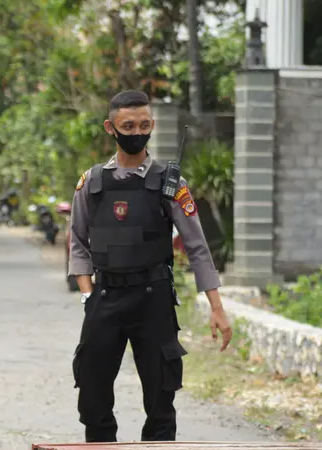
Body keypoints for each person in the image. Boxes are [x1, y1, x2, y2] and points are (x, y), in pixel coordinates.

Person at [68, 90, 233, 443]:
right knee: (93, 399)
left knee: (160, 402)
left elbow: (198, 248)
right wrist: (87, 295)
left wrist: (217, 308)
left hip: (153, 298)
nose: (137, 132)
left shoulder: (170, 183)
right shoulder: (92, 183)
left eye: (144, 125)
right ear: (110, 128)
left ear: (153, 126)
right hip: (106, 297)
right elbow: (78, 243)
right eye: (128, 126)